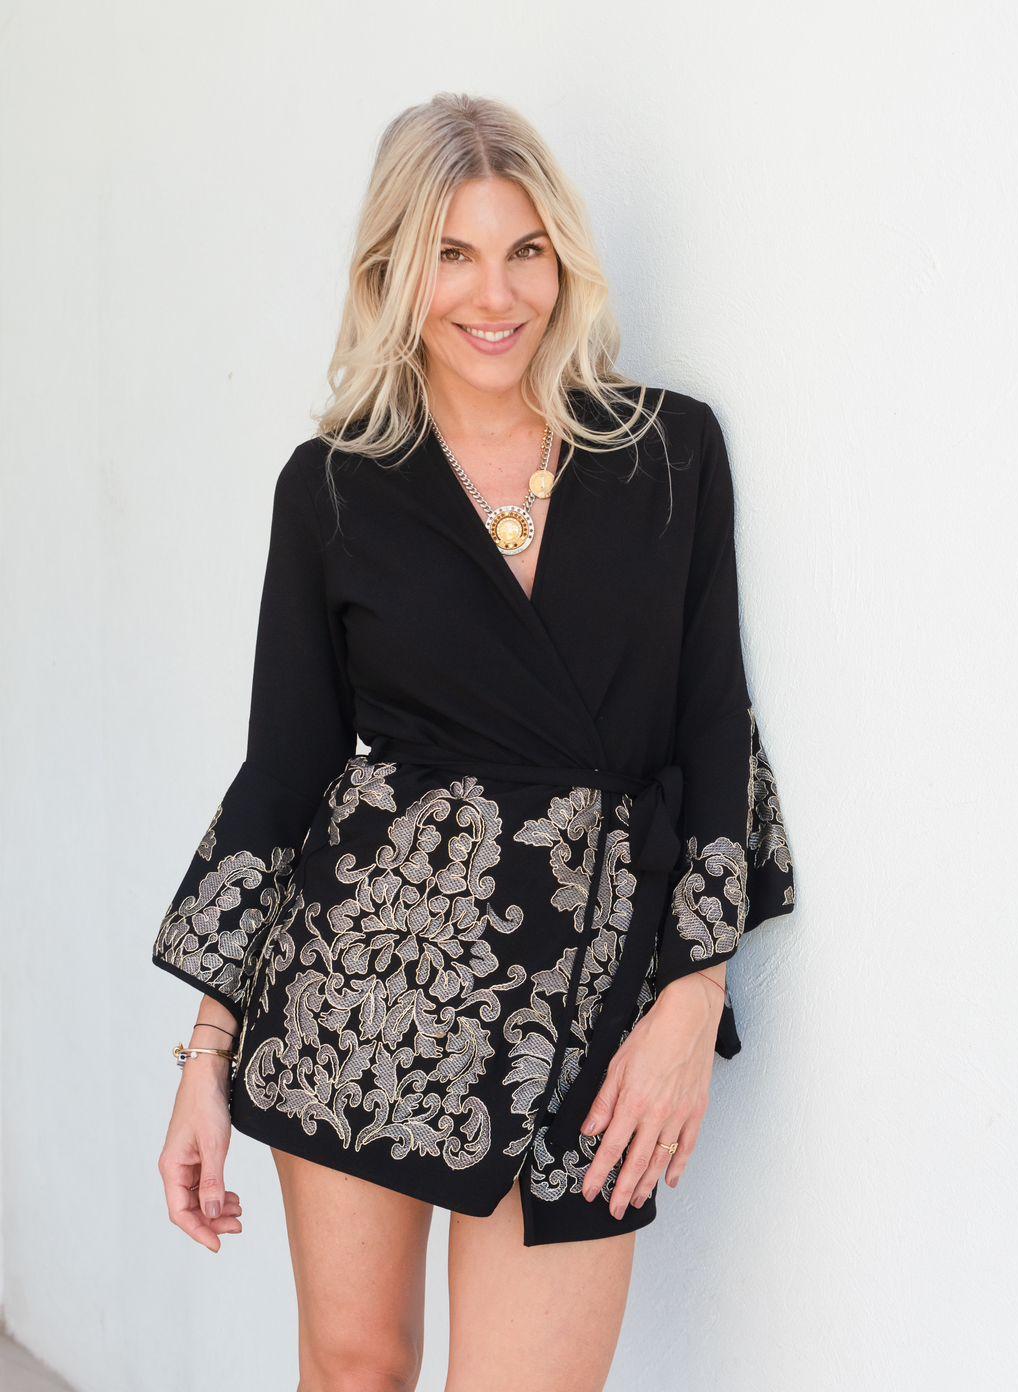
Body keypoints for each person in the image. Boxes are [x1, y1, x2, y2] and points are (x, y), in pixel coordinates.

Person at [152, 92, 796, 1392]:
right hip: (366, 992)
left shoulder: (670, 455)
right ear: (394, 273)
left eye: (524, 251)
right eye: (452, 254)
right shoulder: (335, 488)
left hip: (592, 1000)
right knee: (355, 1371)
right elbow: (285, 775)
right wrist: (207, 1054)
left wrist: (693, 993)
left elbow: (716, 734)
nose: (494, 295)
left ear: (563, 261)